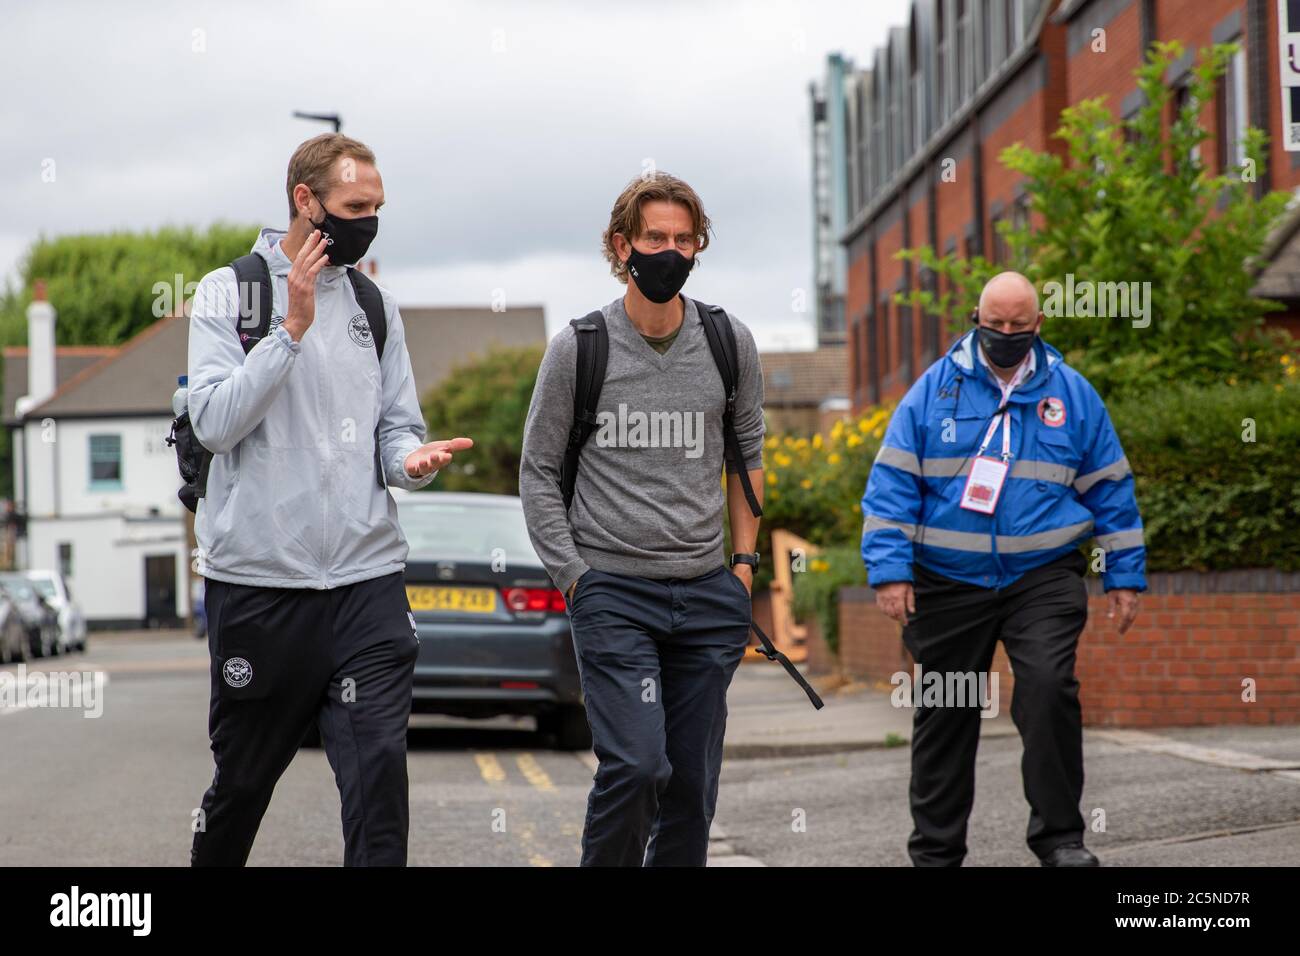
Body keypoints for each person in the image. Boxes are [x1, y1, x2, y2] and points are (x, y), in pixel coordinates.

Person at [187, 132, 472, 866]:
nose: (368, 221)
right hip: (259, 590)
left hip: (365, 587)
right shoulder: (231, 292)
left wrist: (411, 462)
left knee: (379, 777)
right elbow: (214, 423)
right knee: (242, 787)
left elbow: (397, 427)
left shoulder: (376, 306)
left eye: (376, 207)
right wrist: (289, 331)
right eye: (354, 206)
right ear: (304, 200)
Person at [519, 172, 765, 866]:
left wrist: (743, 567)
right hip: (613, 594)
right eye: (656, 237)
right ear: (621, 246)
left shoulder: (729, 342)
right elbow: (537, 471)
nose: (671, 250)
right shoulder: (579, 347)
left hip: (706, 594)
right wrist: (576, 578)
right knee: (636, 768)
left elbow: (747, 460)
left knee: (690, 787)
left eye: (685, 239)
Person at [861, 271, 1144, 867]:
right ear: (976, 319)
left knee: (1047, 689)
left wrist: (1124, 575)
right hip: (947, 582)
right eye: (997, 326)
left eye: (1020, 326)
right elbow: (890, 486)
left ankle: (1061, 840)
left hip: (1041, 577)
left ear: (1038, 325)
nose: (1008, 335)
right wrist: (889, 572)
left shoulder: (1071, 395)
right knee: (948, 711)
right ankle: (936, 855)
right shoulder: (932, 392)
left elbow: (1111, 488)